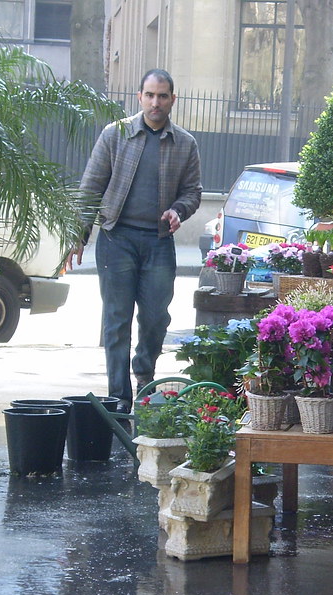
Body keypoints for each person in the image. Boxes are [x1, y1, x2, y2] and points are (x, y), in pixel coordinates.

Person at [67, 69, 202, 411]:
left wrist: (178, 210)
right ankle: (118, 396)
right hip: (117, 238)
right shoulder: (116, 135)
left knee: (156, 317)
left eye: (162, 96)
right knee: (116, 319)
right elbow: (91, 187)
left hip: (158, 242)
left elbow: (193, 192)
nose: (155, 102)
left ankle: (144, 374)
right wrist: (79, 234)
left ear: (173, 99)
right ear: (139, 97)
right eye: (150, 95)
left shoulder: (185, 144)